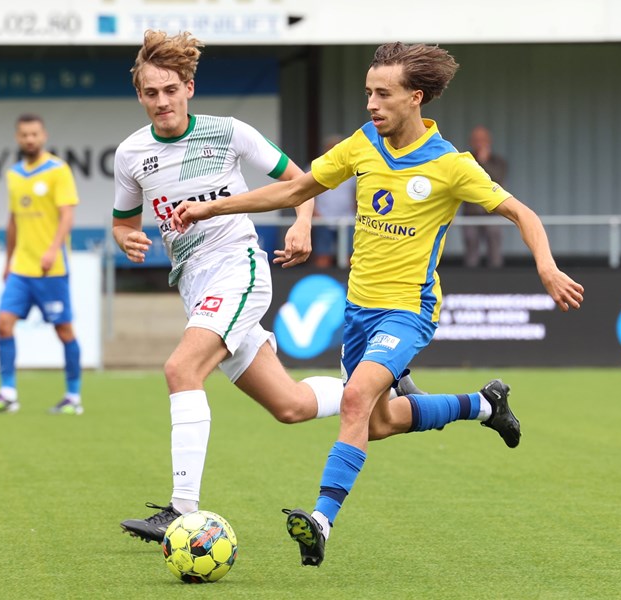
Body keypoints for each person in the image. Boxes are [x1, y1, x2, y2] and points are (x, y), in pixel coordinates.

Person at [174, 41, 585, 567]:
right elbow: (294, 191)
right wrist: (212, 209)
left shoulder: (451, 165)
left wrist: (546, 267)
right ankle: (485, 405)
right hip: (358, 312)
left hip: (408, 311)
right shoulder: (363, 144)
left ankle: (320, 521)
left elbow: (523, 214)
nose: (371, 103)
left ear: (416, 98)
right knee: (379, 422)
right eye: (368, 92)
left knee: (354, 400)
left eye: (383, 94)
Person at [111, 31, 424, 544]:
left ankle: (180, 509)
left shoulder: (229, 132)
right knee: (291, 406)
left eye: (171, 89)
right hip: (194, 283)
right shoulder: (131, 155)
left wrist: (301, 223)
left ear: (189, 87)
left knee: (180, 369)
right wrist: (128, 239)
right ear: (140, 96)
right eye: (151, 93)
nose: (162, 101)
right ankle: (380, 386)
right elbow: (123, 222)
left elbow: (301, 181)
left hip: (238, 268)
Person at [0, 114, 83, 416]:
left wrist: (53, 250)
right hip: (22, 268)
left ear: (44, 135)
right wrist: (7, 261)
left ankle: (73, 396)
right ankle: (7, 392)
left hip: (52, 269)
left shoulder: (58, 170)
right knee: (3, 323)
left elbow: (67, 215)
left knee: (63, 331)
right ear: (17, 138)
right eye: (24, 134)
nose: (29, 139)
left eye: (34, 134)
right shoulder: (13, 174)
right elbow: (13, 220)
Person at [462, 125, 509, 268]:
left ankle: (497, 282)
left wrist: (483, 162)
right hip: (471, 213)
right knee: (471, 249)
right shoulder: (464, 160)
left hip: (493, 212)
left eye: (482, 139)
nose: (479, 143)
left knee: (494, 249)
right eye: (476, 140)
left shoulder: (498, 162)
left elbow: (497, 179)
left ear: (489, 141)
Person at [310, 135, 357, 268]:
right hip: (323, 219)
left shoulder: (353, 169)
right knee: (323, 256)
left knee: (351, 256)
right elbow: (305, 194)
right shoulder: (315, 167)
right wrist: (314, 214)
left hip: (347, 220)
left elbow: (357, 195)